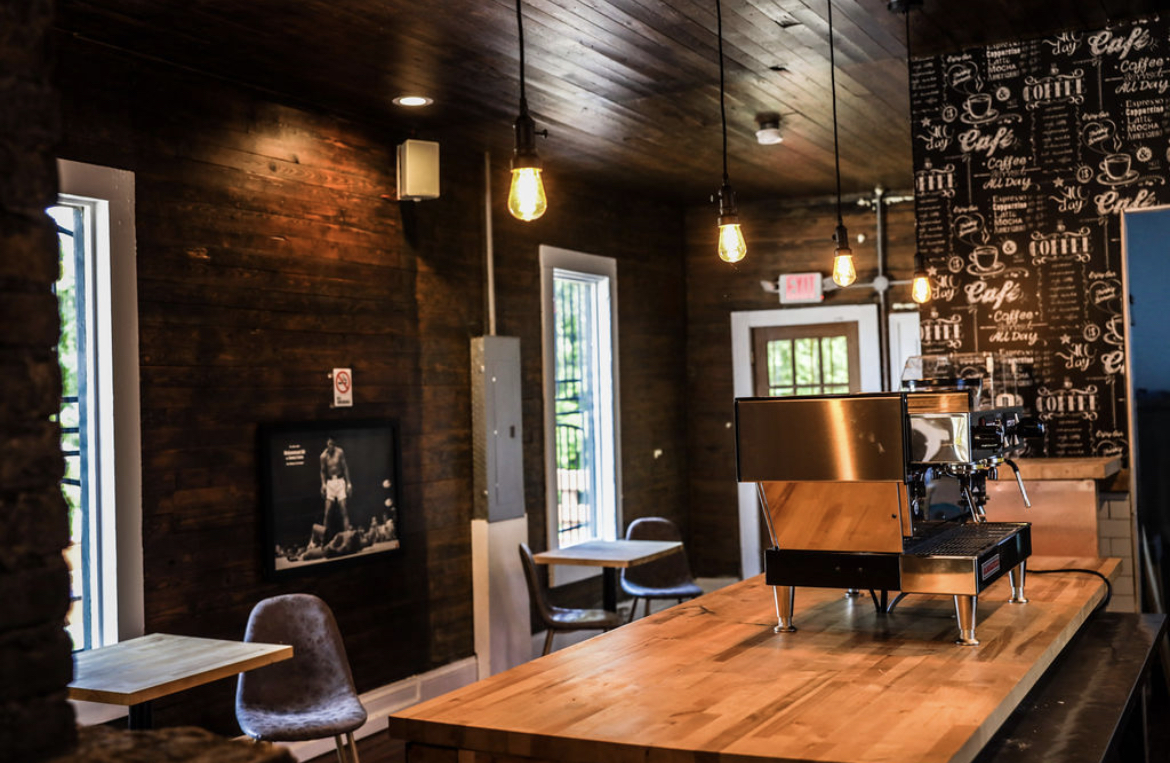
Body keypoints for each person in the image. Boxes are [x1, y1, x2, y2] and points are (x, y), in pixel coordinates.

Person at [319, 436, 352, 544]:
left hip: (340, 481)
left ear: (334, 444)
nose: (330, 446)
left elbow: (345, 467)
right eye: (329, 444)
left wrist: (349, 483)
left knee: (344, 509)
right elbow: (322, 471)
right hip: (330, 483)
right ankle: (324, 540)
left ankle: (348, 537)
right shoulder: (323, 456)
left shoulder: (340, 452)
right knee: (327, 511)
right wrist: (323, 484)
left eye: (332, 444)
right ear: (326, 445)